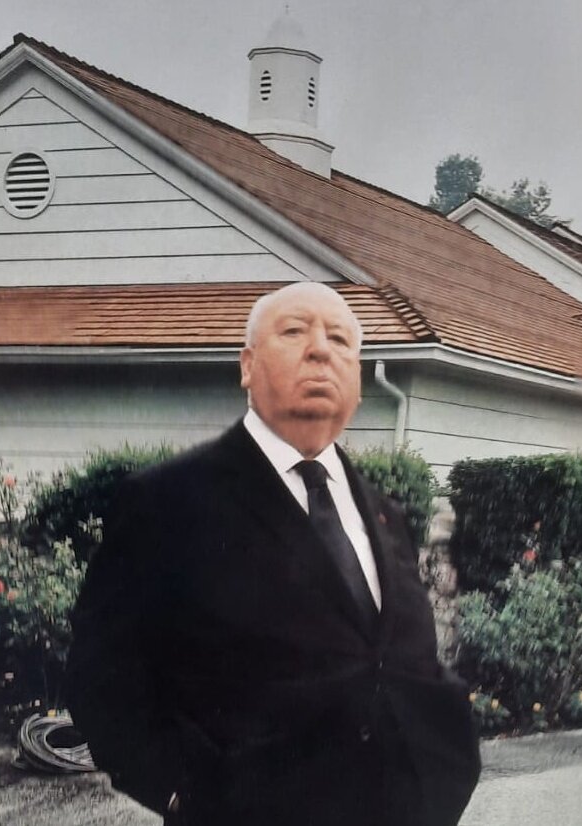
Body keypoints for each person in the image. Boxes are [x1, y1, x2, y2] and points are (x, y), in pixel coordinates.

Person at [65, 282, 481, 826]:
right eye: (294, 331)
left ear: (357, 380)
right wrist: (179, 793)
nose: (320, 350)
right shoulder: (168, 500)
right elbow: (101, 674)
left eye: (340, 340)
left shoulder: (386, 515)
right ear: (247, 365)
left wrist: (450, 754)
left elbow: (404, 658)